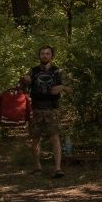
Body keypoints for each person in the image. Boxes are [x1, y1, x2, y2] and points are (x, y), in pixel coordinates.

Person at [23, 45, 71, 178]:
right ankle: (37, 167)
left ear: (52, 56)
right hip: (36, 109)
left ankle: (57, 168)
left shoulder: (58, 71)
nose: (44, 55)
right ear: (39, 56)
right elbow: (23, 85)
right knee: (35, 139)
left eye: (47, 53)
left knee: (55, 138)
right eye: (42, 53)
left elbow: (70, 89)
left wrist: (61, 87)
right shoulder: (33, 71)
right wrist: (25, 80)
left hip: (52, 109)